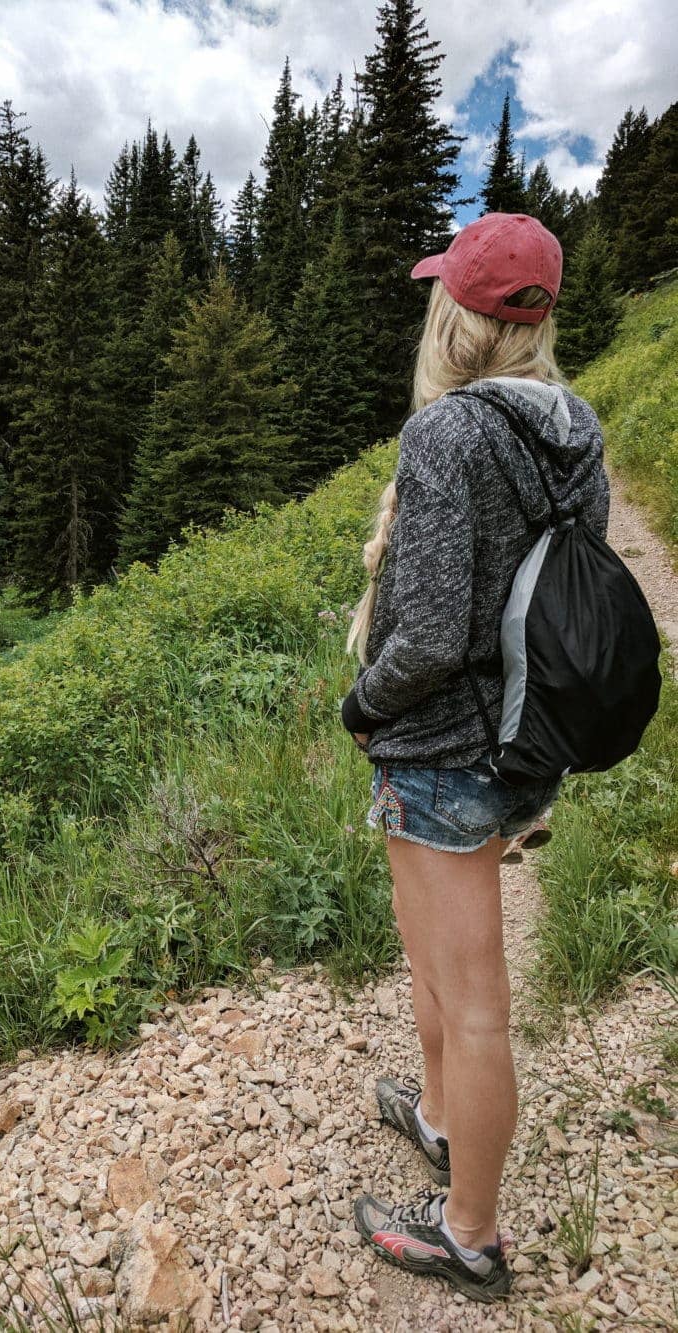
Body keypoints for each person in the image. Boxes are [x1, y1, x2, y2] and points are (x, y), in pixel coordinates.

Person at [338, 212, 611, 1304]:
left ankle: (472, 1233)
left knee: (477, 996)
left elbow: (436, 628)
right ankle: (444, 1120)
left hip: (441, 747)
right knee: (432, 962)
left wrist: (362, 702)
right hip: (515, 738)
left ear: (458, 314)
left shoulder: (446, 435)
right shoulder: (572, 426)